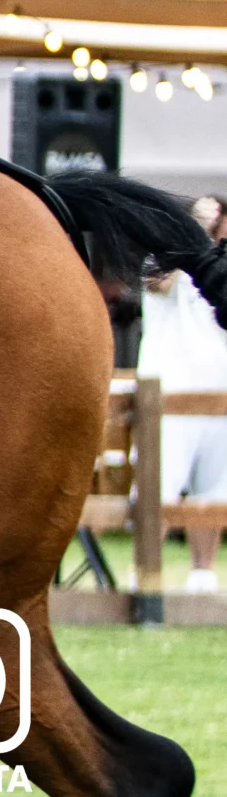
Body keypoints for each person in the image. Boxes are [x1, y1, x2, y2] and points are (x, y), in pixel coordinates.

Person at [145, 194, 227, 590]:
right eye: (200, 217)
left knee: (214, 488)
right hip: (167, 392)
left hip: (220, 393)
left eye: (215, 217)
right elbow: (154, 284)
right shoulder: (164, 257)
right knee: (159, 483)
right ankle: (145, 575)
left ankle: (202, 572)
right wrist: (193, 244)